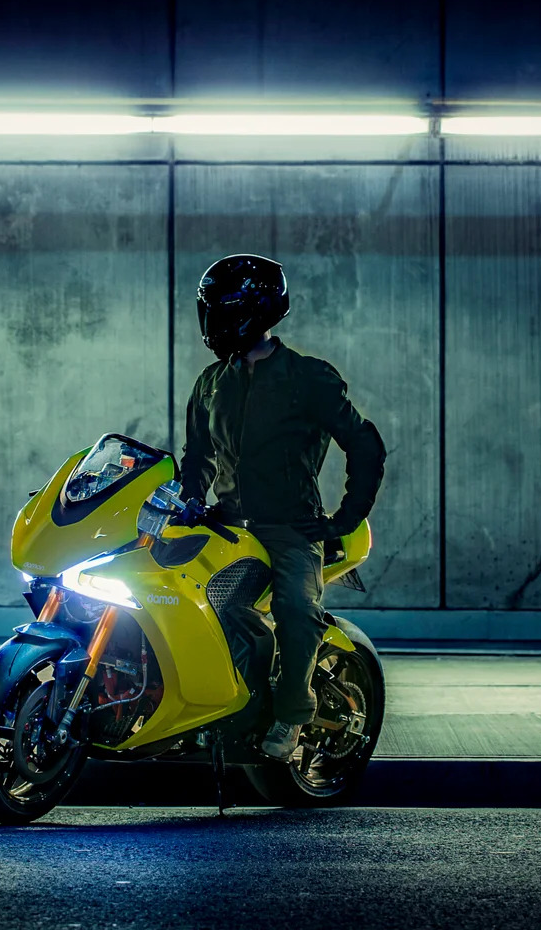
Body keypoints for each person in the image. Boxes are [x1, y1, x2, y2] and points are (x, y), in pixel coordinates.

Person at [177, 253, 386, 761]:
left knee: (296, 609)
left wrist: (344, 518)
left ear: (255, 313)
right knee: (186, 605)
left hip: (291, 528)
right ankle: (218, 705)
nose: (213, 323)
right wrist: (187, 499)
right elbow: (200, 455)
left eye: (222, 312)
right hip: (228, 528)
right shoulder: (210, 382)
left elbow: (364, 445)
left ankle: (292, 713)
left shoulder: (310, 378)